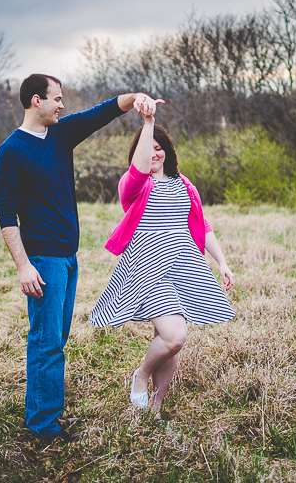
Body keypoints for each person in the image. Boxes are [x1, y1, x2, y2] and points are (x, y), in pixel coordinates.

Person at [0, 73, 161, 442]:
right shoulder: (11, 151)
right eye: (56, 99)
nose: (62, 105)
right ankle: (42, 427)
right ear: (36, 101)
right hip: (43, 260)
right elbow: (6, 213)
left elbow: (102, 113)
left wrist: (137, 98)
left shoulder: (61, 135)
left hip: (69, 258)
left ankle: (48, 414)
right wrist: (24, 265)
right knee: (46, 341)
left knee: (57, 338)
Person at [89, 103, 235, 416]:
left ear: (167, 150)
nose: (153, 153)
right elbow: (140, 168)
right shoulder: (134, 185)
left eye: (159, 147)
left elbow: (201, 224)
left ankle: (154, 408)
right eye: (147, 147)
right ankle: (141, 374)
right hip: (148, 271)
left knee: (167, 339)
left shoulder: (185, 185)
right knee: (175, 336)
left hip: (182, 270)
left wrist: (221, 261)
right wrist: (148, 121)